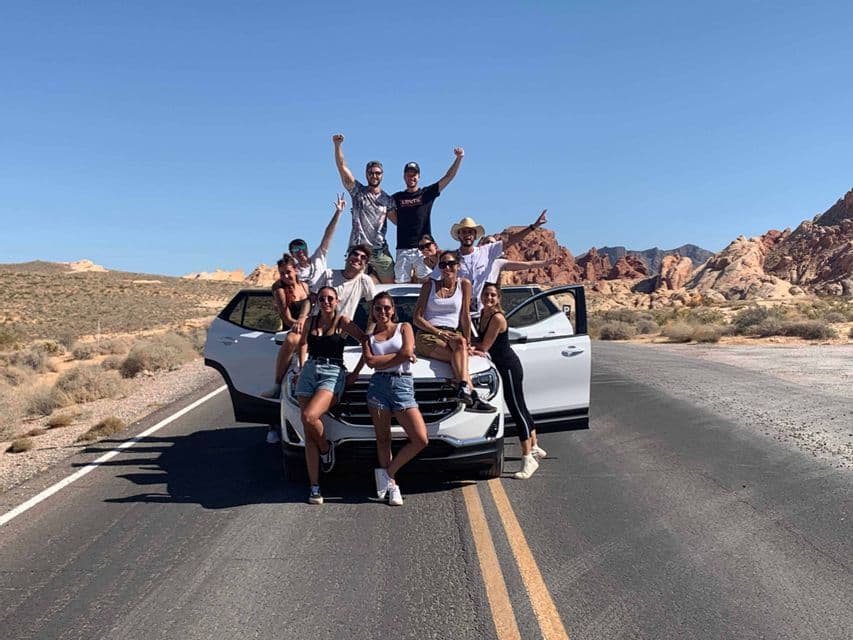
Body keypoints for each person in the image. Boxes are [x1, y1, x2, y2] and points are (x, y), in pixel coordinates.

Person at [295, 286, 366, 505]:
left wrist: (356, 373)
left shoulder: (342, 322)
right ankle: (314, 487)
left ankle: (326, 449)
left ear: (337, 301)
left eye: (330, 299)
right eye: (323, 298)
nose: (326, 301)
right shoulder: (310, 322)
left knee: (309, 417)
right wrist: (300, 366)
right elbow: (303, 343)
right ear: (318, 301)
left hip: (333, 372)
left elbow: (366, 341)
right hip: (309, 371)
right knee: (309, 432)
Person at [471, 283, 547, 479]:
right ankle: (535, 445)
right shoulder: (483, 315)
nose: (489, 298)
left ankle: (527, 458)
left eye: (493, 295)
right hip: (504, 366)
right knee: (521, 405)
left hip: (509, 367)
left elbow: (484, 346)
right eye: (486, 294)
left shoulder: (497, 318)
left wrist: (469, 347)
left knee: (515, 408)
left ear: (498, 298)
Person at [360, 292, 428, 506]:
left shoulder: (404, 327)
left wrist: (384, 360)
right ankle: (393, 487)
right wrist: (399, 357)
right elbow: (370, 362)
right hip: (378, 387)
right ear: (372, 311)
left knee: (420, 438)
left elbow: (407, 349)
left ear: (393, 309)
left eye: (387, 307)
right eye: (378, 308)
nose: (383, 312)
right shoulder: (367, 338)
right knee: (383, 439)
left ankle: (387, 473)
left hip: (402, 386)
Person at [413, 250, 496, 413]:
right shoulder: (429, 286)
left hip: (453, 334)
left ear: (458, 266)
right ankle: (472, 394)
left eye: (451, 264)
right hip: (428, 333)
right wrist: (438, 333)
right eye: (443, 264)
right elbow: (417, 318)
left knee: (460, 343)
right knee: (458, 360)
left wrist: (468, 344)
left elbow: (465, 316)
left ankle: (463, 387)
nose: (447, 268)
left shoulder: (464, 285)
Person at [449, 210, 549, 311]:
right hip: (458, 311)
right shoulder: (451, 259)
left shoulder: (487, 252)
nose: (467, 235)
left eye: (470, 232)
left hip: (484, 311)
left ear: (475, 236)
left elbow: (511, 241)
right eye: (464, 232)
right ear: (459, 235)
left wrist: (533, 227)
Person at [390, 149, 464, 283]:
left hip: (423, 249)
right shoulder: (397, 198)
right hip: (403, 248)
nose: (411, 177)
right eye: (408, 174)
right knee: (401, 285)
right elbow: (387, 213)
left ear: (418, 177)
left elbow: (448, 177)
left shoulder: (426, 194)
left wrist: (459, 158)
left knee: (427, 283)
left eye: (414, 175)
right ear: (404, 176)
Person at [332, 133, 397, 283]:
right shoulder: (357, 192)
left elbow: (398, 222)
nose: (374, 176)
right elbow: (342, 167)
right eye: (371, 173)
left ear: (382, 175)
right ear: (366, 175)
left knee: (390, 285)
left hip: (379, 251)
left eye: (377, 173)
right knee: (352, 286)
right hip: (358, 249)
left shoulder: (388, 200)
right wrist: (337, 146)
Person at [262, 255, 311, 423]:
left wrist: (306, 322)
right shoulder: (279, 289)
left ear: (295, 270)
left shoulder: (305, 286)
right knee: (291, 340)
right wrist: (297, 324)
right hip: (292, 328)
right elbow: (286, 316)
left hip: (310, 327)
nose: (285, 276)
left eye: (288, 272)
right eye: (282, 273)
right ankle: (277, 383)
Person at [288, 193, 346, 298]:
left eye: (302, 248)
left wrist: (338, 212)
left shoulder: (318, 257)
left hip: (326, 302)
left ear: (307, 249)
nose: (300, 251)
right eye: (296, 249)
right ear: (292, 254)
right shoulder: (293, 272)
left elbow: (328, 234)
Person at [477, 234, 560, 283]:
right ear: (482, 245)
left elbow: (528, 265)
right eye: (487, 242)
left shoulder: (498, 263)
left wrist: (547, 262)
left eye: (492, 243)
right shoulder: (474, 259)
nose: (489, 245)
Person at [328, 244, 376, 323]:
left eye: (363, 257)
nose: (358, 258)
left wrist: (368, 333)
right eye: (355, 254)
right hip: (316, 329)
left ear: (365, 265)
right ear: (347, 257)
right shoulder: (329, 274)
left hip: (342, 331)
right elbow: (312, 298)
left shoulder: (365, 281)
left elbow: (374, 309)